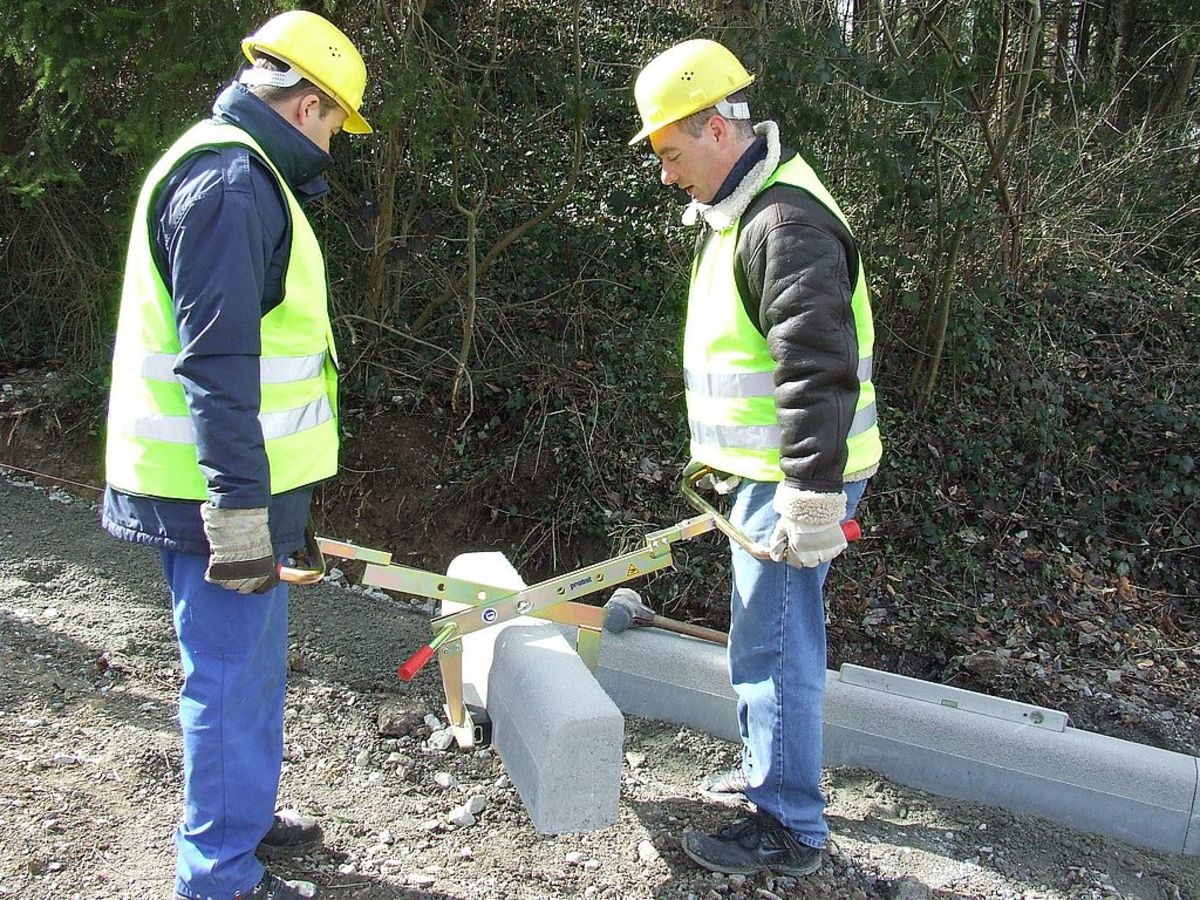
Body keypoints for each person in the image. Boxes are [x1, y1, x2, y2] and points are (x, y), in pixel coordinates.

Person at [102, 11, 371, 899]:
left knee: (247, 672)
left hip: (234, 490)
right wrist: (240, 514)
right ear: (307, 105)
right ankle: (217, 876)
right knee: (225, 680)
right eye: (335, 124)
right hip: (211, 498)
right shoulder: (231, 187)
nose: (334, 143)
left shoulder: (239, 173)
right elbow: (217, 368)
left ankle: (241, 825)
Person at [629, 39, 882, 877]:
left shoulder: (785, 222)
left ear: (718, 130)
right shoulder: (750, 214)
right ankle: (765, 781)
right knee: (763, 640)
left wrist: (812, 497)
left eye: (671, 152)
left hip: (795, 479)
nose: (666, 175)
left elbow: (815, 367)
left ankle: (789, 827)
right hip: (770, 474)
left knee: (777, 648)